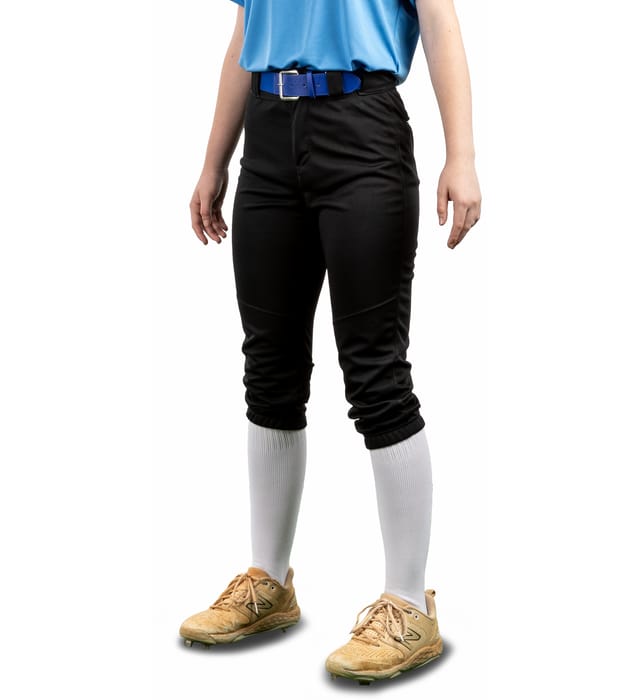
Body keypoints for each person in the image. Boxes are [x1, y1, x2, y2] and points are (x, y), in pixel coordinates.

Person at [179, 0, 481, 684]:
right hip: (267, 136)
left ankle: (409, 605)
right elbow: (246, 33)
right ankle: (268, 582)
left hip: (362, 131)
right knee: (269, 368)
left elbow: (440, 23)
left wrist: (461, 155)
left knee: (376, 373)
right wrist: (213, 161)